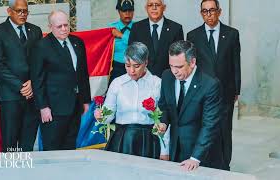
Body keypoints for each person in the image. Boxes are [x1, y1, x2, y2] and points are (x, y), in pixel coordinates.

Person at [186, 0, 241, 170]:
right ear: (201, 13)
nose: (208, 15)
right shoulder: (193, 35)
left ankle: (225, 164)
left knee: (224, 129)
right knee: (205, 127)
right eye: (205, 11)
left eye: (212, 10)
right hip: (203, 92)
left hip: (225, 91)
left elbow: (235, 63)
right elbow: (192, 66)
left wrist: (236, 89)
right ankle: (204, 160)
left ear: (219, 11)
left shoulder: (232, 34)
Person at [30, 10, 91, 150]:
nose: (64, 29)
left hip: (75, 106)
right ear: (50, 27)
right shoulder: (41, 46)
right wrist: (43, 107)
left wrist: (86, 100)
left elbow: (83, 74)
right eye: (59, 26)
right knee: (52, 149)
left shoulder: (78, 42)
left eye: (66, 25)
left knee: (70, 147)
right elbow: (37, 79)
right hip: (53, 109)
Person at [158, 40, 223, 171]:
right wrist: (163, 122)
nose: (174, 71)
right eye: (171, 65)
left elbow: (209, 125)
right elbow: (164, 106)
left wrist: (195, 158)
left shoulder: (210, 84)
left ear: (192, 62)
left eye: (179, 67)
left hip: (199, 152)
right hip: (175, 147)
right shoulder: (167, 76)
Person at [94, 42, 166, 159]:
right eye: (127, 65)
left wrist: (164, 150)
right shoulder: (117, 83)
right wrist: (101, 116)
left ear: (146, 63)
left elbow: (164, 119)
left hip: (147, 139)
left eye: (136, 66)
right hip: (122, 138)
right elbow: (109, 115)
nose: (131, 71)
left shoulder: (157, 83)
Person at [0, 0, 42, 152]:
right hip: (10, 96)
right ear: (9, 11)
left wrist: (32, 82)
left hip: (32, 96)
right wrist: (21, 86)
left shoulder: (36, 31)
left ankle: (26, 175)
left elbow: (40, 62)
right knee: (10, 144)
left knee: (28, 144)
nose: (23, 14)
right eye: (19, 11)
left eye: (25, 11)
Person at [129, 0, 184, 77]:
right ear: (146, 8)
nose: (154, 8)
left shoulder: (176, 28)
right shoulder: (137, 27)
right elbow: (132, 55)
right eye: (150, 5)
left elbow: (179, 57)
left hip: (167, 78)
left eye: (157, 5)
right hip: (142, 78)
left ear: (164, 8)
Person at [108, 0, 135, 85]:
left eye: (130, 10)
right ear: (119, 11)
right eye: (124, 11)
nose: (127, 13)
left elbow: (137, 45)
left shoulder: (139, 27)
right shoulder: (111, 28)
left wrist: (121, 35)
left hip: (135, 67)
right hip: (116, 68)